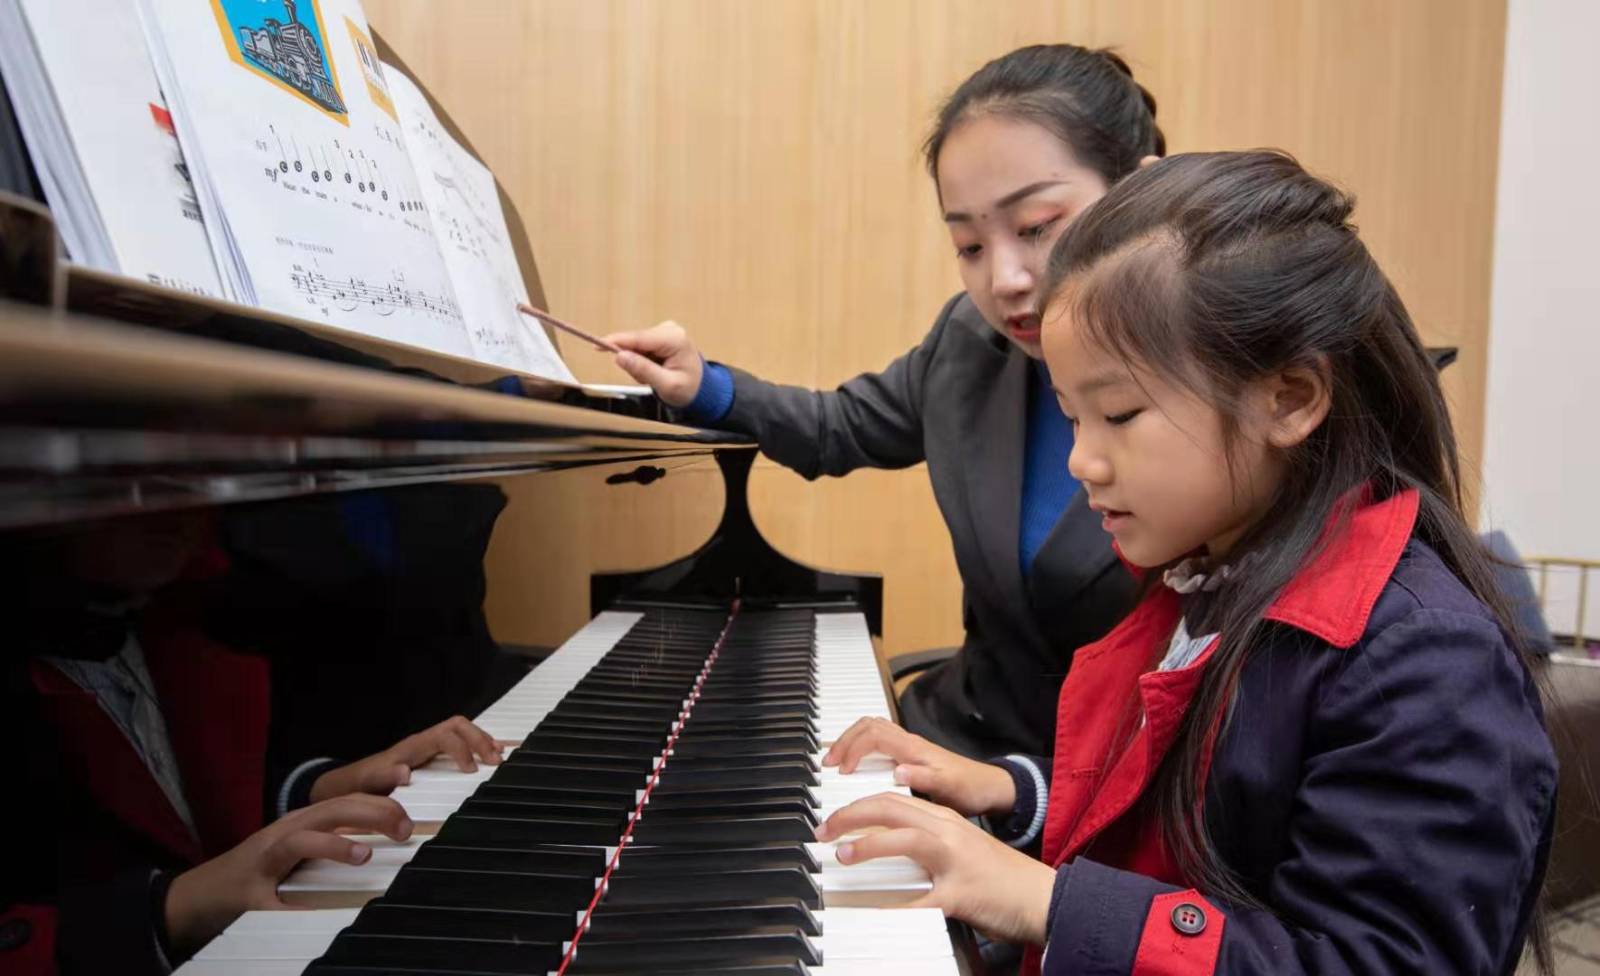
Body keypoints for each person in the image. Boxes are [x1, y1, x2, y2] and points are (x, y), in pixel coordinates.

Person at [817, 151, 1557, 975]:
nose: (1082, 463)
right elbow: (1203, 822)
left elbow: (1373, 960)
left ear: (1289, 398)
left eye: (1120, 415)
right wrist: (1015, 793)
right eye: (1072, 418)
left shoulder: (1424, 662)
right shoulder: (1209, 573)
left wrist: (1045, 902)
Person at [605, 44, 1164, 758]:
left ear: (1147, 194)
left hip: (1116, 790)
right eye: (968, 245)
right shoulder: (969, 342)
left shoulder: (1220, 391)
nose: (1005, 280)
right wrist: (703, 385)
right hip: (962, 741)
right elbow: (839, 428)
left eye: (1036, 227)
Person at [0, 512, 503, 974]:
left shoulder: (179, 624)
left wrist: (323, 787)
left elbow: (196, 799)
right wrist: (175, 906)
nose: (176, 500)